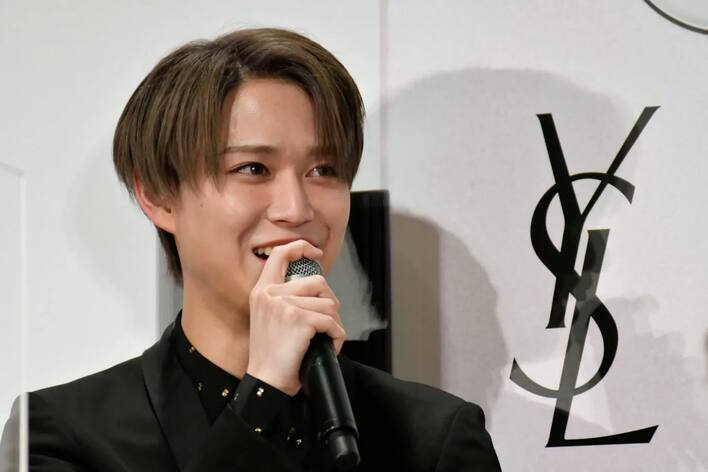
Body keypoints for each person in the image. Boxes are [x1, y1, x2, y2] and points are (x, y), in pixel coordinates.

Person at [0, 28, 501, 471]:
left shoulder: (431, 435)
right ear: (159, 196)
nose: (296, 208)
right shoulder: (62, 433)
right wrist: (263, 395)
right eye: (253, 169)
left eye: (323, 170)